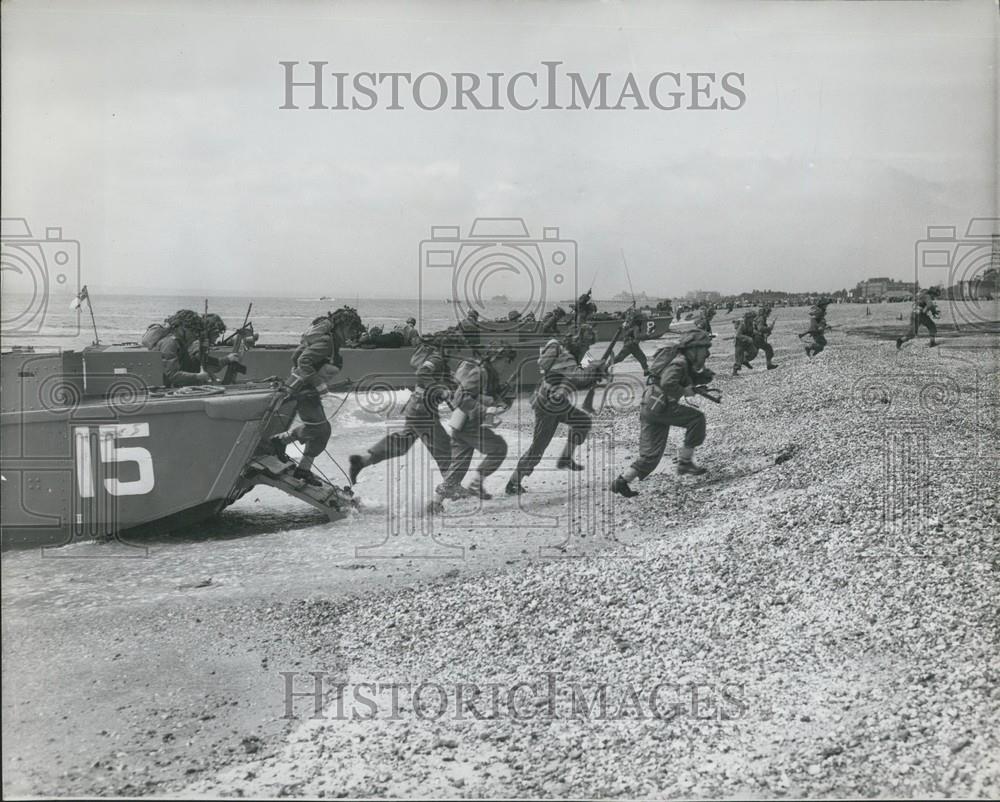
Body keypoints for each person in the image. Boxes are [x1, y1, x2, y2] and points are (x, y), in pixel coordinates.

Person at [611, 329, 716, 497]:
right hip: (661, 406)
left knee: (650, 455)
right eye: (704, 348)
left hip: (650, 406)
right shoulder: (680, 363)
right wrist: (686, 391)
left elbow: (675, 380)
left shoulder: (681, 362)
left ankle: (622, 481)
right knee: (697, 419)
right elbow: (668, 383)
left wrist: (699, 381)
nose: (707, 353)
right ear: (693, 349)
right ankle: (685, 462)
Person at [505, 326, 607, 496]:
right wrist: (594, 370)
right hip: (548, 404)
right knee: (538, 448)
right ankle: (513, 483)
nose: (587, 350)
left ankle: (565, 458)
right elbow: (576, 377)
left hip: (556, 402)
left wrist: (594, 374)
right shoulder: (566, 356)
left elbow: (575, 381)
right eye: (587, 346)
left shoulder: (567, 356)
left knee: (582, 422)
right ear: (579, 343)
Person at [349, 333, 457, 486]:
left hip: (417, 408)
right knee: (443, 447)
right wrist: (440, 390)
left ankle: (361, 462)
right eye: (454, 349)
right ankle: (451, 487)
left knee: (401, 445)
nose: (455, 352)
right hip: (423, 410)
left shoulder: (439, 361)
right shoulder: (437, 359)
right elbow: (423, 373)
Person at [270, 309, 360, 485]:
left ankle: (302, 469)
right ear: (341, 326)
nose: (353, 334)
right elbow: (303, 361)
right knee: (320, 429)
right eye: (351, 329)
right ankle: (280, 442)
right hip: (303, 390)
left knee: (322, 431)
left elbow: (297, 357)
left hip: (307, 390)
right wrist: (318, 383)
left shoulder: (332, 345)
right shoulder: (327, 342)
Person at [436, 344, 513, 501]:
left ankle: (434, 504)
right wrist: (486, 410)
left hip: (463, 424)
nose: (506, 365)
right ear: (495, 359)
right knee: (499, 448)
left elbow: (485, 395)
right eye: (505, 361)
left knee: (458, 467)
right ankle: (475, 485)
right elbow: (460, 397)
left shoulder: (490, 374)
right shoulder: (480, 373)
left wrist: (500, 401)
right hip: (468, 425)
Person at [143, 309, 212, 387]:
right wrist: (198, 376)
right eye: (193, 331)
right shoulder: (170, 343)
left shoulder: (179, 343)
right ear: (183, 328)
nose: (196, 335)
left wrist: (202, 349)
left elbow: (188, 367)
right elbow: (172, 375)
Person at [612, 307, 650, 374]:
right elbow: (637, 336)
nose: (642, 321)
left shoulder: (630, 326)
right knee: (620, 358)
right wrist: (646, 335)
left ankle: (646, 371)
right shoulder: (636, 327)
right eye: (641, 320)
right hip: (631, 345)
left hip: (631, 345)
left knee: (642, 357)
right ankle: (606, 365)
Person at [731, 311, 758, 376]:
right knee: (739, 357)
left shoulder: (751, 324)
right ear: (748, 318)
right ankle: (735, 371)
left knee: (754, 352)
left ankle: (745, 360)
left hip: (747, 343)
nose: (753, 319)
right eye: (752, 318)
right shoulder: (742, 324)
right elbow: (738, 335)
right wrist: (748, 338)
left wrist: (756, 333)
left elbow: (751, 331)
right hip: (739, 342)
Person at [753, 305, 778, 369]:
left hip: (755, 337)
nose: (769, 314)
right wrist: (769, 328)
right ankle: (769, 365)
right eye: (768, 313)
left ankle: (736, 367)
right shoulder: (761, 319)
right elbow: (760, 328)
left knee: (752, 354)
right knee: (768, 348)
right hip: (757, 338)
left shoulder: (758, 318)